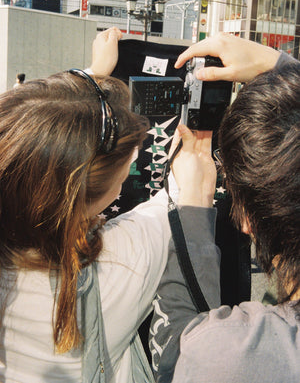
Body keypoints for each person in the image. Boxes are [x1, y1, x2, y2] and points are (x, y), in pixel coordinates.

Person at [0, 27, 214, 383]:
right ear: (92, 190)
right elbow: (182, 197)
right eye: (125, 163)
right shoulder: (122, 260)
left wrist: (93, 75)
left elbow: (23, 127)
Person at [150, 33, 300, 383]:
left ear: (248, 218)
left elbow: (178, 348)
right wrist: (282, 68)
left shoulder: (237, 357)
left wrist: (192, 205)